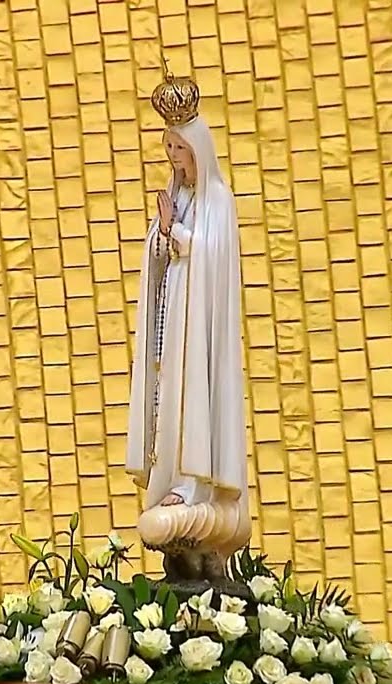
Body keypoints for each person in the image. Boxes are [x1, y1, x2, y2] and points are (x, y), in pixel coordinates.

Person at [125, 66, 250, 567]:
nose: (174, 157)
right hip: (174, 312)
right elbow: (161, 253)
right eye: (169, 149)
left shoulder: (218, 200)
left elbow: (211, 257)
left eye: (180, 148)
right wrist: (161, 235)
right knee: (170, 394)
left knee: (194, 392)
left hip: (199, 321)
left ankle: (195, 482)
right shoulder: (178, 198)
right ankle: (171, 477)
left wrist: (175, 233)